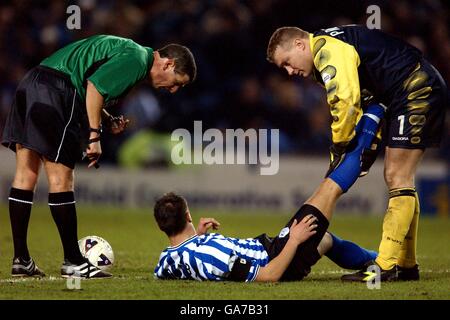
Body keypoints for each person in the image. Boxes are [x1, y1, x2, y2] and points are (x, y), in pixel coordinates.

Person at [2, 34, 197, 278]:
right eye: (177, 82)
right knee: (61, 179)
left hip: (32, 82)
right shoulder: (138, 60)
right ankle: (73, 261)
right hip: (57, 91)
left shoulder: (130, 51)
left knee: (25, 175)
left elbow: (89, 82)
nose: (174, 90)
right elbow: (94, 87)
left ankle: (21, 260)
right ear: (168, 64)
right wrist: (94, 137)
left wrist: (106, 118)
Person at [266, 25, 448, 282]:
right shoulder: (331, 47)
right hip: (407, 89)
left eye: (287, 62)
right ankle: (405, 265)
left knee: (397, 175)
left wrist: (340, 146)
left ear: (299, 44)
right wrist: (367, 143)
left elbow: (346, 101)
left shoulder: (327, 50)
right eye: (282, 68)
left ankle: (385, 266)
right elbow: (366, 101)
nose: (289, 71)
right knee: (399, 177)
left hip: (415, 87)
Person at [153, 192, 377, 282]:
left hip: (268, 247)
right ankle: (383, 260)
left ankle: (378, 261)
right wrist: (294, 240)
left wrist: (198, 237)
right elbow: (269, 275)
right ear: (188, 215)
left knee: (326, 239)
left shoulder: (165, 261)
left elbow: (189, 257)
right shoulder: (213, 255)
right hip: (276, 257)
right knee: (328, 190)